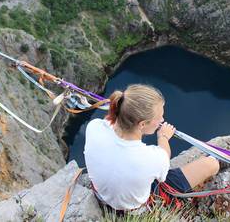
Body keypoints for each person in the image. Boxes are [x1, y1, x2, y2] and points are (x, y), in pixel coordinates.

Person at [84, 84, 220, 211]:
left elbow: (111, 124)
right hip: (131, 208)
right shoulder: (151, 158)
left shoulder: (94, 127)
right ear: (142, 124)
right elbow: (164, 160)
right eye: (160, 117)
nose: (162, 120)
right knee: (211, 164)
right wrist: (163, 138)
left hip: (102, 194)